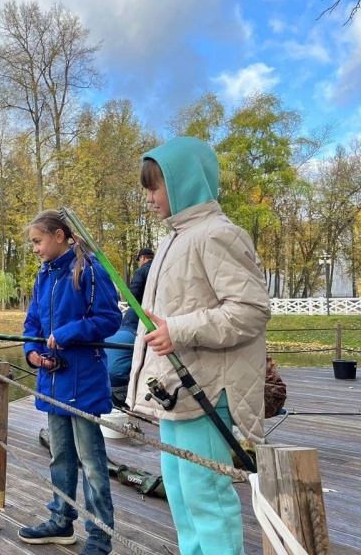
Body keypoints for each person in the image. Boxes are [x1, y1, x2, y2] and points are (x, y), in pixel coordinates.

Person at [126, 137, 270, 555]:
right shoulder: (174, 238)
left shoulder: (219, 234)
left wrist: (181, 330)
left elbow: (250, 310)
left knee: (207, 496)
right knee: (181, 495)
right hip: (177, 393)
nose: (150, 198)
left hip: (209, 390)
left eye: (155, 187)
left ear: (183, 181)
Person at [19, 210, 122, 555]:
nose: (34, 249)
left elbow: (109, 319)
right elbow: (32, 321)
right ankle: (61, 521)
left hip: (84, 382)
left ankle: (99, 537)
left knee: (92, 463)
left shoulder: (90, 270)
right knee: (60, 457)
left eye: (37, 241)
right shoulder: (43, 275)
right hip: (52, 380)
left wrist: (67, 333)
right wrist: (32, 351)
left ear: (58, 236)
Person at [105, 247, 154, 402]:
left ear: (142, 258)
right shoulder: (161, 268)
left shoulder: (141, 271)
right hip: (156, 316)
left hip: (105, 382)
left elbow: (133, 294)